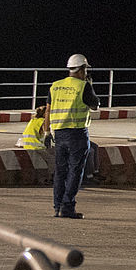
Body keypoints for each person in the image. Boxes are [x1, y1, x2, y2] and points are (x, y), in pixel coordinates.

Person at [49, 54, 97, 219]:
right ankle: (68, 207)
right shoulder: (83, 86)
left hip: (59, 134)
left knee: (60, 172)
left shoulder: (55, 86)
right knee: (75, 172)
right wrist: (90, 85)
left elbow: (48, 109)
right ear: (82, 69)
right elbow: (95, 105)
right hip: (77, 133)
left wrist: (48, 132)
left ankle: (57, 207)